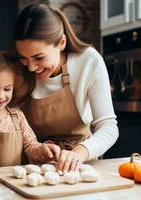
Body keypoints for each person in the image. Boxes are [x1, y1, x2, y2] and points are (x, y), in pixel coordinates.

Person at [14, 3, 119, 174]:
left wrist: (80, 151)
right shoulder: (17, 70)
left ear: (61, 43)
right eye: (24, 58)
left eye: (38, 57)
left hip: (79, 165)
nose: (31, 67)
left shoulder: (88, 62)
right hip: (32, 168)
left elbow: (108, 127)